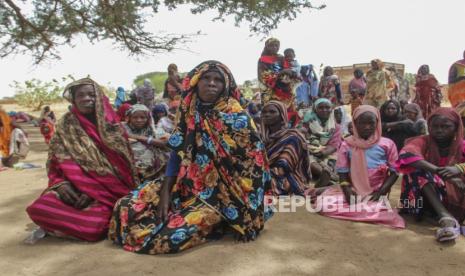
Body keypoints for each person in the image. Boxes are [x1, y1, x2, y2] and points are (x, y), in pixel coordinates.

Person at [109, 61, 271, 254]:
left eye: (218, 80)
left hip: (221, 197)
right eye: (206, 78)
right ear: (195, 81)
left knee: (169, 236)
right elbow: (177, 153)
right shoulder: (189, 112)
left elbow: (253, 171)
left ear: (226, 85)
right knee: (126, 206)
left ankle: (224, 220)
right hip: (185, 183)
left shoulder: (237, 118)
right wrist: (165, 193)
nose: (211, 83)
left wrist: (245, 215)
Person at [26, 78, 138, 242]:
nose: (86, 99)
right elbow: (55, 163)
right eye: (81, 95)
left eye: (91, 95)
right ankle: (67, 224)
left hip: (108, 192)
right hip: (73, 187)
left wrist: (93, 191)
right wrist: (62, 185)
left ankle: (67, 227)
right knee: (40, 208)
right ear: (74, 99)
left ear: (99, 97)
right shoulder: (65, 125)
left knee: (94, 227)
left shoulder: (113, 126)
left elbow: (124, 168)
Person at [315, 105, 405, 228]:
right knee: (324, 206)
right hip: (352, 190)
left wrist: (381, 191)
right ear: (355, 123)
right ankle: (330, 193)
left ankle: (359, 209)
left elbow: (395, 171)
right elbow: (343, 172)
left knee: (380, 211)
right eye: (362, 123)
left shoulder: (387, 144)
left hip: (376, 192)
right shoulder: (347, 144)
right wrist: (347, 190)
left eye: (371, 123)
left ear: (377, 123)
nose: (367, 127)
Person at [397, 108, 465, 242]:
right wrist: (443, 173)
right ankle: (446, 218)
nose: (439, 130)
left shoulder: (461, 146)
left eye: (446, 127)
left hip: (457, 195)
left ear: (456, 127)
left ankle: (456, 219)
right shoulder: (423, 141)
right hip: (424, 199)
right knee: (417, 171)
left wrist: (459, 168)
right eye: (435, 126)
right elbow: (407, 154)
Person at [261, 101, 311, 195]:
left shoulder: (293, 137)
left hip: (286, 177)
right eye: (264, 112)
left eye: (272, 112)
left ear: (282, 115)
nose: (267, 115)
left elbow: (283, 168)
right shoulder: (261, 136)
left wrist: (259, 172)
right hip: (266, 172)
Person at [301, 98, 342, 188]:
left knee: (334, 161)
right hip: (310, 151)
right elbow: (302, 139)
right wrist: (313, 151)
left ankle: (326, 178)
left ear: (331, 109)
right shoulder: (307, 124)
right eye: (321, 107)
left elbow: (334, 145)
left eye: (327, 107)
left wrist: (323, 153)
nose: (324, 110)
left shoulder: (336, 127)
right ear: (315, 109)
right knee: (310, 162)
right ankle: (330, 178)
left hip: (328, 151)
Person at [124, 104, 168, 181]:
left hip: (151, 165)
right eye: (135, 117)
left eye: (143, 117)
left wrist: (139, 137)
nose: (139, 120)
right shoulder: (123, 128)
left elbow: (164, 143)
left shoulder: (151, 129)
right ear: (129, 118)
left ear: (148, 118)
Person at [257, 38, 284, 105]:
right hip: (268, 88)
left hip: (283, 86)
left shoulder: (281, 58)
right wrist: (273, 81)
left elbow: (287, 68)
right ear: (267, 47)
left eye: (276, 45)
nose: (274, 47)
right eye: (272, 46)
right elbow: (261, 75)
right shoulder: (262, 59)